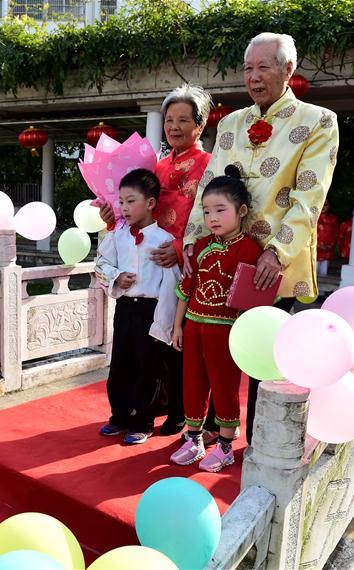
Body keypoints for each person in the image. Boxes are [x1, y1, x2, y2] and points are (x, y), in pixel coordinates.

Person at [183, 32, 340, 443]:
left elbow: (309, 197)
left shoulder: (318, 122)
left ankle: (262, 446)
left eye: (263, 67)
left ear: (288, 70)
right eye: (248, 68)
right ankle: (215, 435)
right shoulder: (233, 123)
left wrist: (276, 252)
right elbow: (208, 188)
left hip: (273, 268)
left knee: (265, 355)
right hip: (221, 260)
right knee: (214, 350)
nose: (253, 77)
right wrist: (190, 242)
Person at [99, 84, 220, 437]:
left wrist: (182, 247)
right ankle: (153, 409)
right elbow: (134, 213)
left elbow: (214, 218)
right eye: (169, 120)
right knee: (148, 350)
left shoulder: (210, 166)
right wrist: (113, 216)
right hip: (151, 265)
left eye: (184, 119)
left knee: (178, 346)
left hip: (189, 265)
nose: (175, 126)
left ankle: (184, 414)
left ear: (200, 125)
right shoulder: (157, 166)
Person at [170, 167, 263, 471]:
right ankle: (194, 438)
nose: (212, 218)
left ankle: (225, 446)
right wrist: (177, 326)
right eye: (207, 211)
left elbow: (252, 299)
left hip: (226, 331)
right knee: (192, 383)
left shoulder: (251, 249)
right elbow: (187, 288)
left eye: (220, 210)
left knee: (224, 386)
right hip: (195, 326)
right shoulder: (200, 246)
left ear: (242, 211)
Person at [95, 169, 181, 445]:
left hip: (152, 310)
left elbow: (172, 282)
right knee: (121, 362)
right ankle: (119, 415)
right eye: (121, 201)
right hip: (125, 308)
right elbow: (100, 264)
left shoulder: (164, 241)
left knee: (150, 367)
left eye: (131, 201)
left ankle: (143, 420)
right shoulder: (118, 236)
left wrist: (166, 321)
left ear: (151, 203)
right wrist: (116, 276)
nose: (124, 207)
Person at [316, 199, 339, 276]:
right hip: (315, 249)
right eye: (322, 204)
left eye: (325, 205)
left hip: (327, 250)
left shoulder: (333, 219)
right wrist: (318, 245)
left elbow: (336, 233)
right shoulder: (314, 218)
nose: (323, 207)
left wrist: (330, 246)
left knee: (324, 273)